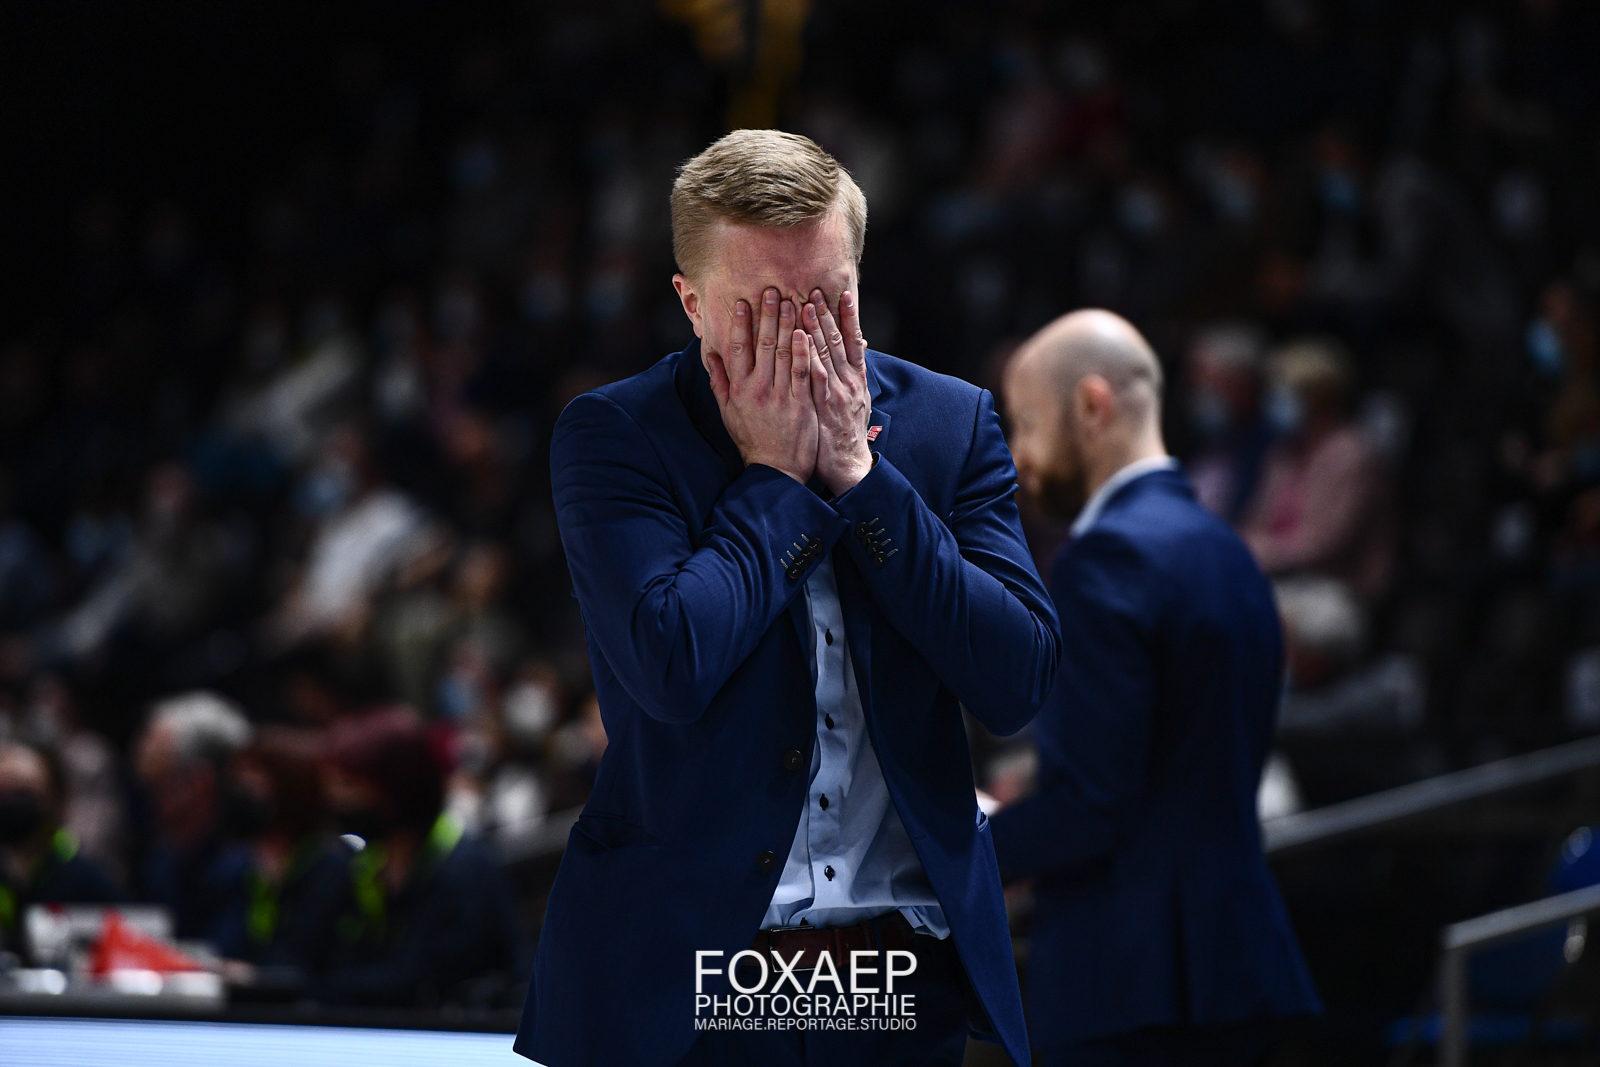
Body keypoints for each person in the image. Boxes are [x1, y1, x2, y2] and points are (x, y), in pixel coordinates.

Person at [514, 130, 1059, 1067]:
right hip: (693, 979)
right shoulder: (616, 435)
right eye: (763, 309)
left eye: (828, 301)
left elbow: (1018, 681)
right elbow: (672, 664)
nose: (802, 338)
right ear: (691, 303)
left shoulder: (951, 421)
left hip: (890, 974)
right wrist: (773, 478)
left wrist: (864, 480)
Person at [990, 309, 1319, 1066]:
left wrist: (954, 849)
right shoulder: (1227, 549)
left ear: (1093, 405)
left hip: (1133, 977)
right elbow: (1180, 751)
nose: (1018, 453)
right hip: (1234, 960)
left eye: (1027, 422)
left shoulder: (1104, 560)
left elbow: (1095, 806)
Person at [313, 706, 523, 1008]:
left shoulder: (465, 868)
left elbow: (416, 982)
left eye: (350, 785)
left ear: (398, 787)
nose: (337, 799)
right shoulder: (365, 863)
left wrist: (311, 986)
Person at [1237, 338, 1393, 601]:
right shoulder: (1284, 451)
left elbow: (1326, 542)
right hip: (1280, 576)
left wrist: (1259, 552)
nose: (1273, 400)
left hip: (1334, 587)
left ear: (1318, 395)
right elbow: (1258, 519)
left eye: (1283, 391)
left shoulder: (1353, 453)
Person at [212, 733, 351, 987]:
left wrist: (253, 974)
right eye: (239, 776)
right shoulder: (238, 860)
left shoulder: (327, 864)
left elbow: (303, 957)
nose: (242, 788)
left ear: (290, 787)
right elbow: (222, 942)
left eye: (254, 776)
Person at [134, 690, 255, 944]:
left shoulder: (248, 869)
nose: (146, 801)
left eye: (158, 784)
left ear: (199, 783)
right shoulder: (161, 861)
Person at [0, 740, 122, 955]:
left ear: (54, 799)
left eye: (22, 792)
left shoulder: (85, 880)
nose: (10, 803)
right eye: (2, 793)